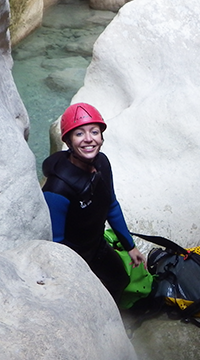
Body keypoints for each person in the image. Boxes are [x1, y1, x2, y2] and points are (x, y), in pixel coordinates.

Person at [41, 102, 146, 303]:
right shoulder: (57, 189)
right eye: (79, 134)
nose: (89, 139)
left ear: (101, 137)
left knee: (119, 280)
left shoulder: (102, 163)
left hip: (96, 245)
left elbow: (111, 205)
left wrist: (130, 246)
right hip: (74, 256)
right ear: (69, 141)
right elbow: (57, 245)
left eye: (94, 132)